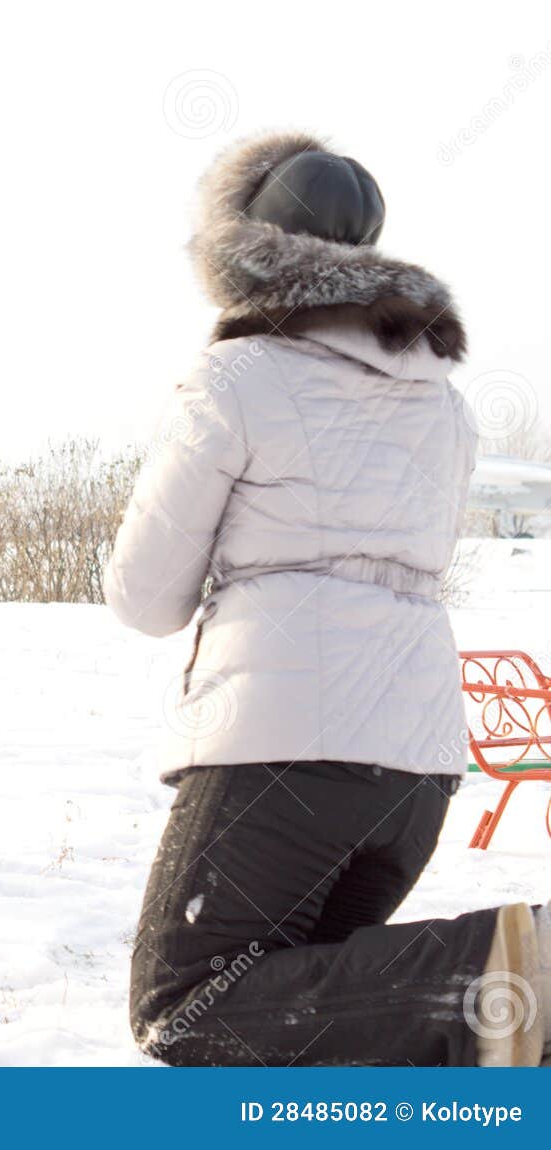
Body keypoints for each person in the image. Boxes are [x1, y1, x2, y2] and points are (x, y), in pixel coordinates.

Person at [108, 131, 546, 1066]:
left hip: (283, 748)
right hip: (420, 759)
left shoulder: (235, 376)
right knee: (311, 1027)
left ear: (241, 249)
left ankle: (529, 969)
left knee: (187, 1006)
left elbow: (144, 596)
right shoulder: (445, 405)